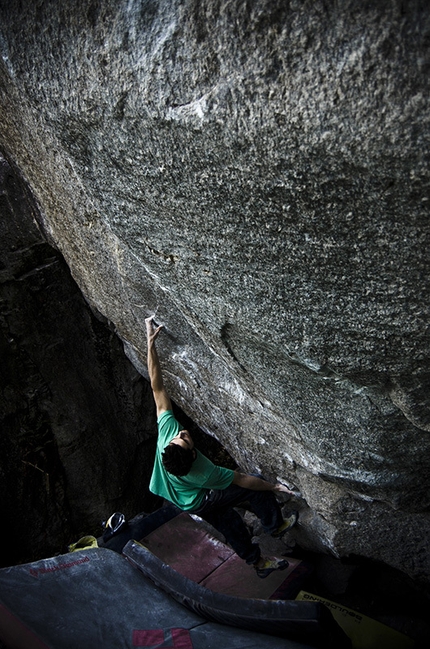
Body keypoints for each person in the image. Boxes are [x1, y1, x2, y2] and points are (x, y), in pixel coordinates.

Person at [146, 316, 298, 578]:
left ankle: (257, 563)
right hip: (198, 497)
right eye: (186, 438)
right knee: (256, 486)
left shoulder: (167, 436)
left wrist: (150, 345)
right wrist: (273, 486)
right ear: (193, 454)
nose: (183, 432)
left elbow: (156, 386)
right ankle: (275, 525)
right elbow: (243, 481)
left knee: (229, 522)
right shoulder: (205, 472)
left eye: (179, 436)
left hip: (181, 496)